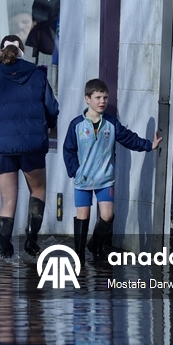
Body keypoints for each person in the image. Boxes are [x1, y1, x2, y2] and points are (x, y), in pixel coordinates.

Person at [0, 35, 59, 258]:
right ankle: (31, 240)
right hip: (32, 145)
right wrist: (47, 126)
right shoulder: (37, 74)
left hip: (2, 146)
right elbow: (52, 108)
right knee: (37, 190)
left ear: (2, 52)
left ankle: (4, 255)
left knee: (8, 201)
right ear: (22, 52)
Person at [63, 78, 163, 264]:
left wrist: (149, 145)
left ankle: (95, 245)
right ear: (87, 99)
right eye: (98, 97)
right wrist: (74, 171)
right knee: (83, 216)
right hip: (83, 180)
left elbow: (127, 138)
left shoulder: (110, 123)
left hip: (105, 179)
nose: (102, 101)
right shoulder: (76, 125)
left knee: (107, 215)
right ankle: (79, 256)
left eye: (105, 97)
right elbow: (68, 149)